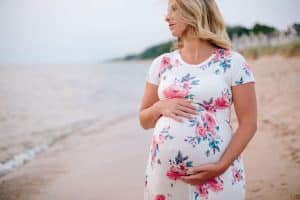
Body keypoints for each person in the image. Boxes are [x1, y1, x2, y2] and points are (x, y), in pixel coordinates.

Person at [139, 0, 257, 199]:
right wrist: (160, 106)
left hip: (218, 174)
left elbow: (249, 123)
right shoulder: (161, 64)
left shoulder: (233, 63)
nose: (167, 17)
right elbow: (144, 120)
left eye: (174, 9)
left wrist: (221, 166)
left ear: (195, 10)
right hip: (164, 178)